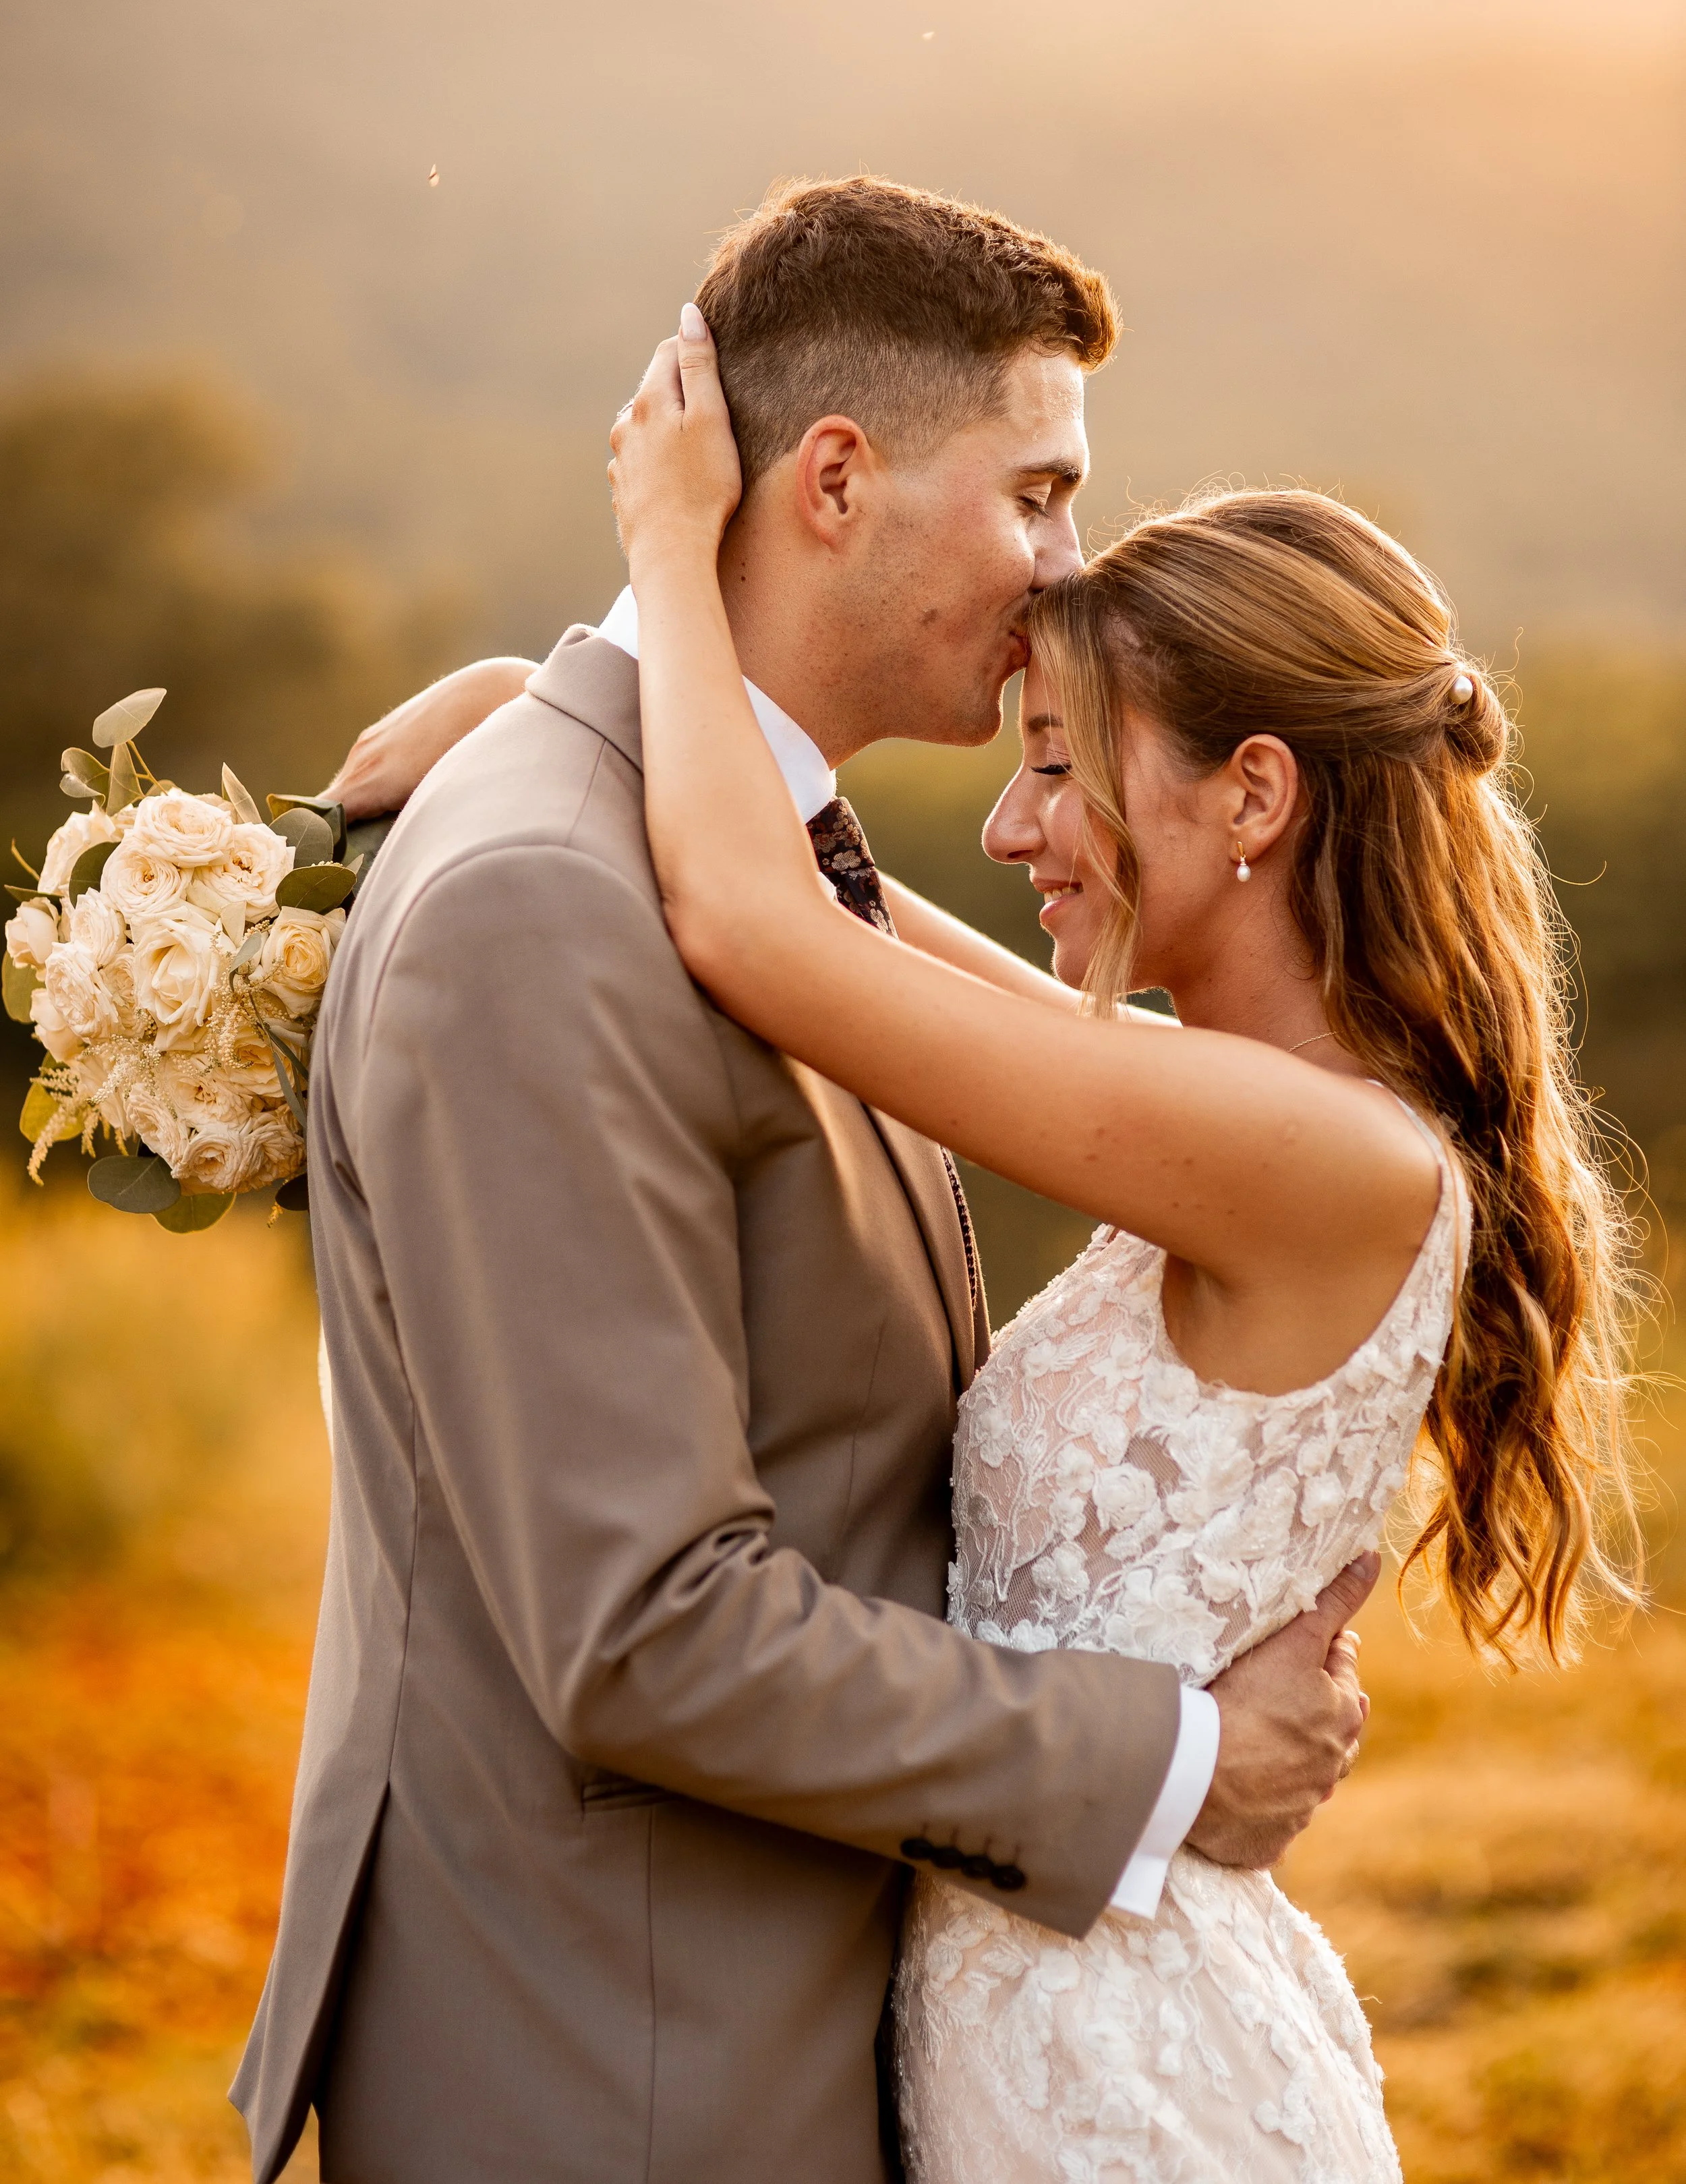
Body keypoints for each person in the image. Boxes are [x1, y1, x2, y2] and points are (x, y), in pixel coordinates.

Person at [233, 179, 1377, 2184]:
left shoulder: (735, 849)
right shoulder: (551, 904)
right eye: (1035, 490)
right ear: (834, 478)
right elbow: (650, 1629)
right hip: (628, 2078)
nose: (1064, 566)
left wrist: (550, 666)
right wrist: (1176, 1757)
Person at [600, 303, 1639, 2181]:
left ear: (1250, 793)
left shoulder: (1301, 1149)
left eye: (1063, 763)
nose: (1012, 820)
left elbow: (762, 931)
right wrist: (543, 712)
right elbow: (842, 900)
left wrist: (668, 550)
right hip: (1052, 2022)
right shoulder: (1237, 1099)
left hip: (1127, 2085)